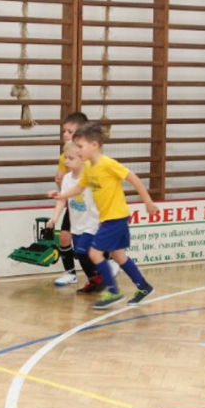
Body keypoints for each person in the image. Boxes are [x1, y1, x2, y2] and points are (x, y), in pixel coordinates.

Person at [49, 122, 158, 309]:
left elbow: (133, 178)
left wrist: (148, 202)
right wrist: (61, 195)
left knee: (94, 253)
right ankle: (143, 286)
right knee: (118, 255)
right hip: (109, 218)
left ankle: (113, 292)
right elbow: (79, 188)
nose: (78, 150)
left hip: (115, 218)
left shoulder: (108, 164)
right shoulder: (89, 167)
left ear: (94, 145)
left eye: (80, 146)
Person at [46, 141, 100, 294]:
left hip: (91, 223)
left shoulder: (89, 178)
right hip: (76, 224)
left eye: (71, 158)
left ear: (82, 159)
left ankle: (101, 276)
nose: (66, 161)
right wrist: (55, 217)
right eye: (65, 158)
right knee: (81, 253)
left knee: (82, 251)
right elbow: (62, 199)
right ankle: (93, 280)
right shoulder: (67, 179)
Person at [52, 111, 89, 286]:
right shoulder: (64, 156)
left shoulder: (90, 158)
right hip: (75, 205)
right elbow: (65, 188)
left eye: (70, 131)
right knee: (64, 238)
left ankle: (108, 263)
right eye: (64, 131)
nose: (65, 135)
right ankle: (70, 273)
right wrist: (59, 182)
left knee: (93, 241)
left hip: (91, 207)